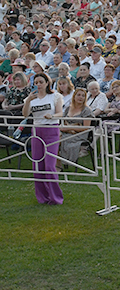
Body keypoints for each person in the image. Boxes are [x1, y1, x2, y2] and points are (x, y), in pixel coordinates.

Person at [22, 73, 64, 205]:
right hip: (37, 131)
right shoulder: (32, 98)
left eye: (41, 82)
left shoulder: (55, 96)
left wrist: (52, 116)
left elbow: (60, 113)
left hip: (51, 129)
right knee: (37, 166)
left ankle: (55, 198)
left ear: (47, 83)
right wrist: (28, 100)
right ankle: (43, 197)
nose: (38, 84)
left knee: (50, 165)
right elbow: (25, 114)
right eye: (36, 82)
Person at [58, 87, 94, 167]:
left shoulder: (86, 110)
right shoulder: (68, 108)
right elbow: (62, 121)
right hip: (65, 131)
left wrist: (69, 128)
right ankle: (55, 163)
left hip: (79, 134)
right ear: (74, 96)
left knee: (57, 141)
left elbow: (86, 128)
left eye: (83, 96)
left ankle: (59, 164)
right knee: (53, 139)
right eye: (78, 95)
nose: (80, 97)